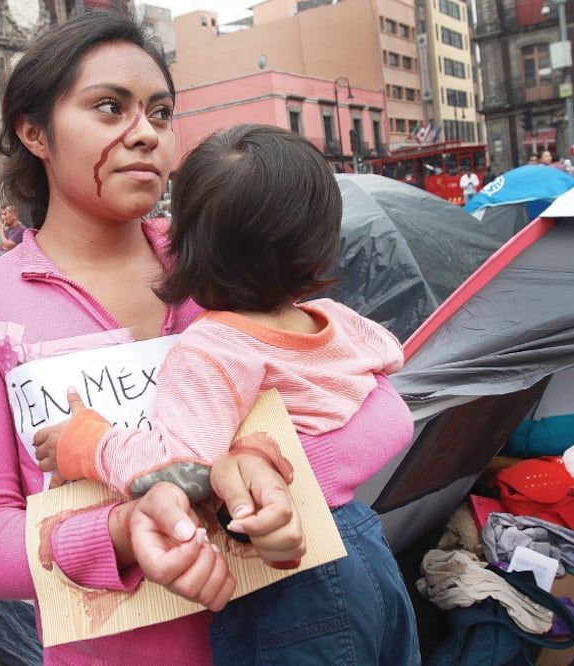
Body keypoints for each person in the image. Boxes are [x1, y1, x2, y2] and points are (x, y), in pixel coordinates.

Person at [0, 10, 310, 664]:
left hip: (294, 634)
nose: (145, 134)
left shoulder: (220, 267)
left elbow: (346, 395)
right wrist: (120, 530)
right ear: (34, 132)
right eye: (109, 108)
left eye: (159, 113)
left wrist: (266, 470)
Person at [33, 124, 421, 664]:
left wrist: (87, 443)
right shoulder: (337, 322)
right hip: (367, 549)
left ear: (188, 244)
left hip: (289, 582)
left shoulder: (216, 349)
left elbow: (179, 465)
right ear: (319, 247)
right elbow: (391, 358)